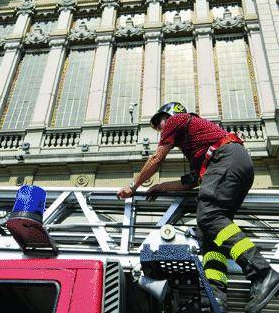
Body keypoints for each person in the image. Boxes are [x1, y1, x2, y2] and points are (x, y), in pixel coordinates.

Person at [117, 102, 279, 313]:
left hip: (226, 160)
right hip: (234, 163)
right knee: (208, 234)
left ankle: (263, 273)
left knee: (209, 216)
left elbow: (157, 158)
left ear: (171, 115)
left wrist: (133, 186)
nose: (159, 128)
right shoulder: (195, 146)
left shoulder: (177, 120)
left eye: (159, 122)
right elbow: (191, 182)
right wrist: (160, 187)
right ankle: (215, 298)